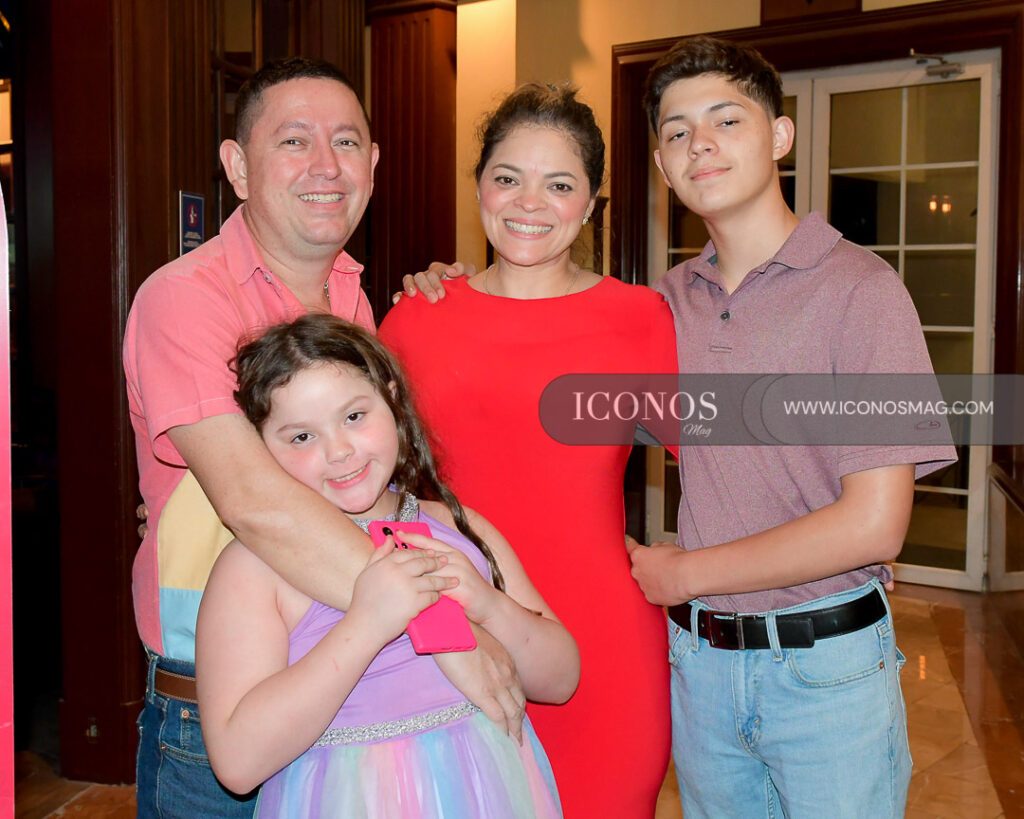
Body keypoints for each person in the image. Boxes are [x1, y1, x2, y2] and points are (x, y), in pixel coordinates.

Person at [123, 57, 523, 818]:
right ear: (238, 167)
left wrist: (453, 304)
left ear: (372, 165)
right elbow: (256, 503)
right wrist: (445, 632)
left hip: (367, 698)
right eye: (294, 140)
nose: (326, 165)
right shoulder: (185, 298)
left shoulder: (356, 300)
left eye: (346, 142)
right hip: (229, 712)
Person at [626, 36, 957, 818]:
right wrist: (462, 285)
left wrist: (685, 573)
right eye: (677, 132)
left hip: (825, 672)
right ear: (662, 165)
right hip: (702, 670)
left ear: (779, 135)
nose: (700, 144)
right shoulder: (664, 304)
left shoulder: (863, 291)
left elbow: (876, 524)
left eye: (726, 120)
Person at [378, 83, 679, 818]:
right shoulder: (415, 319)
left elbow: (729, 466)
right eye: (508, 177)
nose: (529, 203)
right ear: (479, 185)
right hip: (451, 637)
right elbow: (352, 473)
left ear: (593, 202)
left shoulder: (640, 319)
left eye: (560, 184)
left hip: (606, 646)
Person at [196, 314, 576, 817]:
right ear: (259, 448)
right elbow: (238, 762)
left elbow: (561, 679)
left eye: (354, 416)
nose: (339, 451)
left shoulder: (459, 528)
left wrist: (489, 606)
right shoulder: (253, 569)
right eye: (301, 437)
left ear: (392, 401)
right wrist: (367, 623)